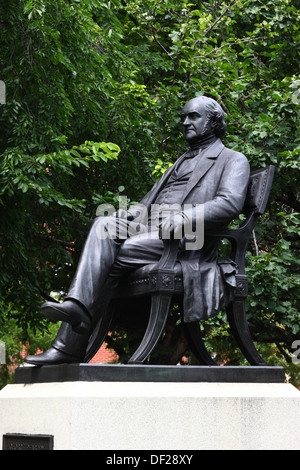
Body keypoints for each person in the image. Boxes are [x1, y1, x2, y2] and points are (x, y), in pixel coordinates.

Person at [25, 96, 250, 365]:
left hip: (188, 241)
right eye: (183, 117)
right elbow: (148, 205)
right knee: (104, 224)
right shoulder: (180, 162)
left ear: (213, 122)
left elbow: (229, 203)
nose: (185, 122)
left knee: (118, 254)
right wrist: (129, 213)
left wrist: (184, 218)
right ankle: (76, 308)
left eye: (193, 117)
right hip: (152, 230)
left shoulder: (232, 159)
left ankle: (68, 345)